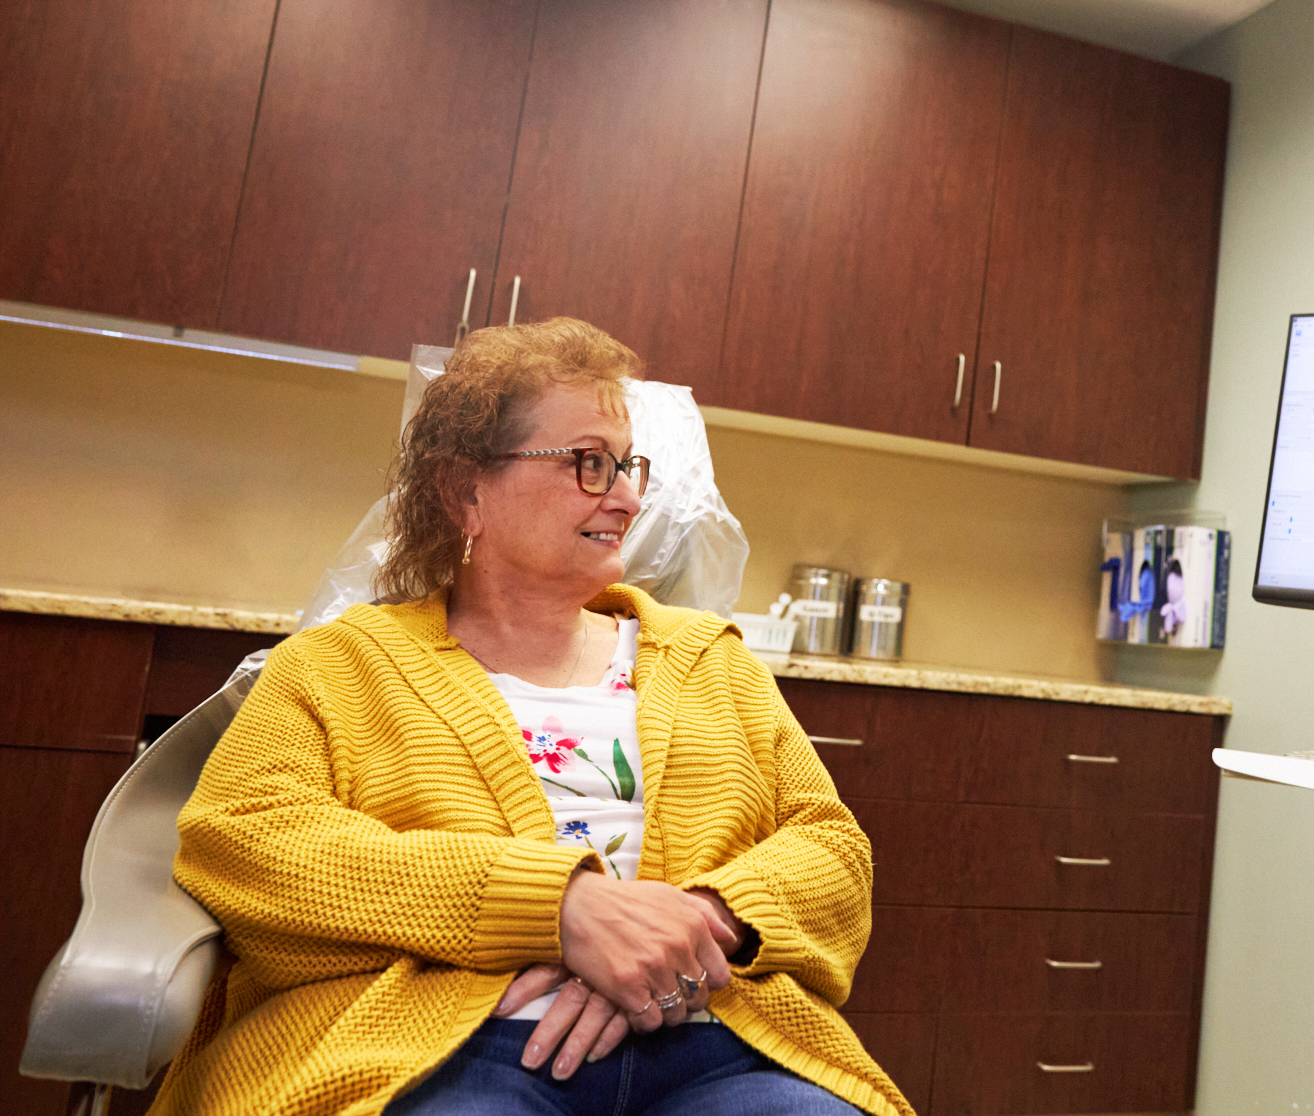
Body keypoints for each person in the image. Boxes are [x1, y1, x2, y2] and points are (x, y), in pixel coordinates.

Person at [157, 318, 911, 1116]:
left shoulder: (708, 660)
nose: (625, 496)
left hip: (715, 1050)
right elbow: (243, 840)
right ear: (465, 492)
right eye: (588, 464)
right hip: (452, 1051)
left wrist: (696, 924)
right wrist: (559, 909)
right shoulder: (341, 665)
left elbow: (832, 850)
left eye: (628, 465)